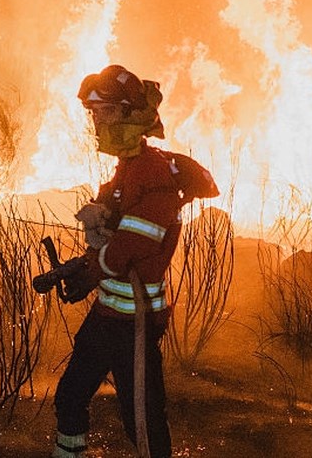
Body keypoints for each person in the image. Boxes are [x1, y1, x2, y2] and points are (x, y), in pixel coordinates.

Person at [51, 64, 200, 458]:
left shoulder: (153, 173)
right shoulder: (128, 168)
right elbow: (116, 242)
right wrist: (82, 266)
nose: (97, 121)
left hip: (136, 324)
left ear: (131, 114)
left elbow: (133, 244)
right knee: (69, 398)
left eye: (105, 112)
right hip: (108, 316)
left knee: (144, 425)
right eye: (94, 114)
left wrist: (92, 271)